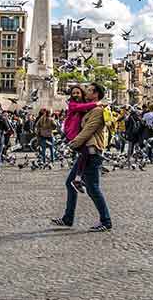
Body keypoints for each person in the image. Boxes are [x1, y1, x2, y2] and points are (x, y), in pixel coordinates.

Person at [50, 81, 112, 231]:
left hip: (92, 152)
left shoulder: (97, 110)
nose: (86, 92)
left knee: (93, 188)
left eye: (90, 90)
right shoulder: (91, 109)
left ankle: (106, 221)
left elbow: (88, 130)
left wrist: (73, 143)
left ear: (96, 94)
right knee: (70, 183)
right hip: (86, 152)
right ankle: (68, 218)